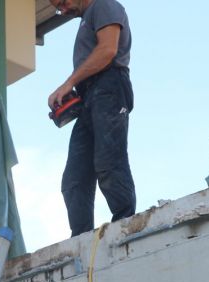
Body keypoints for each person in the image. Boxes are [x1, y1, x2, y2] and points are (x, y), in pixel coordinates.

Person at [48, 0, 136, 237]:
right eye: (58, 8)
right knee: (74, 180)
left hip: (109, 86)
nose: (63, 10)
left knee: (109, 160)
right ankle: (81, 238)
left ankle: (124, 225)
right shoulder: (88, 17)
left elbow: (108, 51)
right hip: (90, 95)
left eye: (62, 3)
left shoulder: (104, 6)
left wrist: (69, 83)